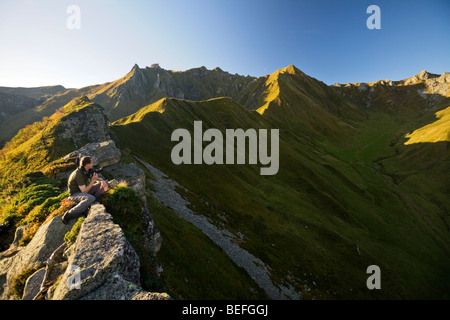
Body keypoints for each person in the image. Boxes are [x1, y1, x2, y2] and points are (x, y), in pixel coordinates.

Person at [61, 156, 109, 224]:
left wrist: (102, 181)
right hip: (74, 195)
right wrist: (93, 181)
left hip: (83, 191)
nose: (93, 164)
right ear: (87, 164)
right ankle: (69, 214)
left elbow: (94, 178)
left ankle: (91, 202)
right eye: (92, 162)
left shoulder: (86, 170)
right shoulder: (79, 174)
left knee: (104, 184)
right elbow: (84, 191)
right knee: (91, 198)